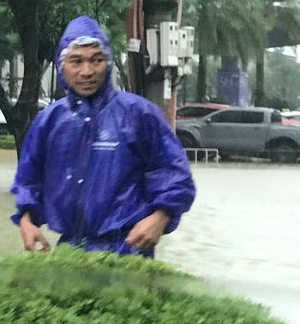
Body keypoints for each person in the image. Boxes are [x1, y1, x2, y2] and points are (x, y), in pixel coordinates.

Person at [11, 15, 195, 257]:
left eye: (96, 60)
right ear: (61, 66)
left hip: (129, 248)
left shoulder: (139, 114)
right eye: (76, 61)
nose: (87, 71)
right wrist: (27, 219)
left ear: (107, 63)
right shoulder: (49, 121)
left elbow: (173, 175)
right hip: (70, 251)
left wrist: (161, 217)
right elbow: (29, 178)